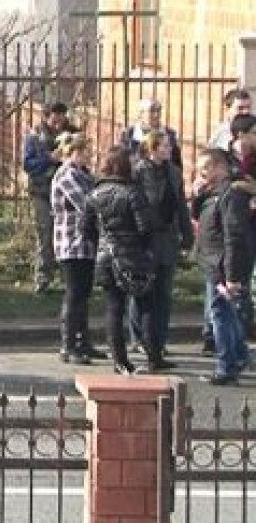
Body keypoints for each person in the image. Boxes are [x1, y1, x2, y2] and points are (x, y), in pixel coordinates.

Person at [85, 146, 158, 375]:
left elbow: (86, 229)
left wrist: (102, 243)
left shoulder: (94, 194)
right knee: (146, 304)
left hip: (106, 255)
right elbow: (145, 227)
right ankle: (153, 354)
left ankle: (119, 359)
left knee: (114, 306)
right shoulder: (132, 192)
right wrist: (145, 250)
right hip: (132, 254)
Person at [130, 131, 193, 363]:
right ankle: (139, 339)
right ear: (152, 149)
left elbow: (180, 206)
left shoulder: (174, 173)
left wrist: (187, 236)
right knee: (143, 291)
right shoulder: (138, 171)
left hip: (167, 237)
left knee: (164, 293)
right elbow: (136, 204)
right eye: (165, 146)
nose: (169, 149)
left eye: (169, 145)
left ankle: (159, 340)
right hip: (146, 238)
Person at [191, 148, 253, 385]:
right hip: (212, 261)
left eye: (205, 168)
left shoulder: (231, 194)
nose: (201, 172)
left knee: (219, 314)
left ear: (219, 167)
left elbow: (233, 234)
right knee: (225, 312)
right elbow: (200, 216)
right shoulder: (214, 191)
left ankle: (227, 366)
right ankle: (239, 356)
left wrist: (232, 275)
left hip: (222, 263)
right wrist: (198, 195)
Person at [50, 133, 103, 364]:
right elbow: (87, 203)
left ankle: (83, 341)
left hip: (86, 242)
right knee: (74, 294)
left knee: (84, 294)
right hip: (70, 242)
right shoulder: (66, 175)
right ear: (71, 153)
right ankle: (68, 344)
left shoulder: (83, 175)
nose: (88, 156)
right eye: (83, 152)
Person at [22, 102, 78, 293]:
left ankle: (68, 278)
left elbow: (83, 158)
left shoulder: (73, 134)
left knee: (70, 235)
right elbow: (28, 164)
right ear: (46, 117)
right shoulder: (35, 135)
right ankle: (43, 278)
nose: (58, 125)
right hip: (42, 192)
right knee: (46, 234)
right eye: (55, 120)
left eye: (62, 120)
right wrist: (50, 159)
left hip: (68, 193)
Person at [120, 98, 183, 168]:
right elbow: (122, 161)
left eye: (158, 110)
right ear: (141, 113)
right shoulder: (129, 134)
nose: (156, 115)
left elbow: (177, 163)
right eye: (152, 111)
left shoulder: (170, 134)